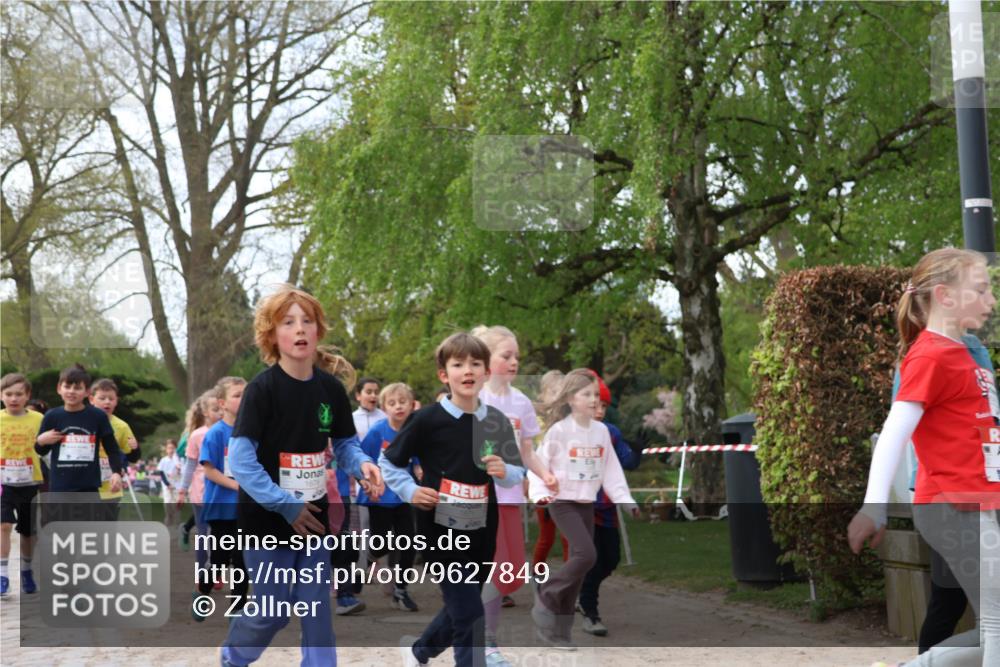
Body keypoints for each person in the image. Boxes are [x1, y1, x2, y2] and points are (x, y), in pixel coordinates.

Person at [847, 248, 999, 667]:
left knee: (995, 630)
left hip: (980, 504)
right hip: (954, 505)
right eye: (981, 291)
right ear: (945, 296)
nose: (991, 301)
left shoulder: (969, 357)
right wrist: (872, 509)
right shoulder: (928, 355)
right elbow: (894, 435)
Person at [221, 285, 383, 667]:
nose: (299, 329)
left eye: (307, 321)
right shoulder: (262, 390)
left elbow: (344, 446)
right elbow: (242, 463)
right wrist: (285, 505)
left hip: (313, 518)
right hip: (267, 519)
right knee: (272, 613)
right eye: (288, 322)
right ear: (272, 335)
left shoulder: (330, 389)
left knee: (317, 612)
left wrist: (362, 466)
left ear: (318, 330)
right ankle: (233, 655)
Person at [381, 332, 523, 667]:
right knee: (471, 615)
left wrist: (505, 470)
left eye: (475, 363)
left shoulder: (495, 421)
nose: (467, 370)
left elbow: (518, 471)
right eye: (458, 364)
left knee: (463, 605)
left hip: (482, 531)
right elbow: (389, 462)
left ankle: (418, 653)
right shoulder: (427, 420)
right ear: (444, 375)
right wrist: (410, 491)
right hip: (439, 533)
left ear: (486, 372)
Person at [529, 368, 639, 650]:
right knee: (586, 554)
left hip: (586, 504)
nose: (593, 400)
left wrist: (627, 502)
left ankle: (559, 633)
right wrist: (541, 495)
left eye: (596, 395)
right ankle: (547, 598)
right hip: (561, 502)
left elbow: (611, 472)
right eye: (586, 394)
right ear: (570, 399)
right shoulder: (559, 431)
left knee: (581, 568)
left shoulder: (601, 432)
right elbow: (538, 466)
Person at [471, 325, 557, 667]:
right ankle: (486, 642)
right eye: (506, 355)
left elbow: (526, 451)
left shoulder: (520, 402)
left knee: (514, 572)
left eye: (517, 356)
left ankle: (462, 626)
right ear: (486, 360)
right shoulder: (475, 397)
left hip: (511, 499)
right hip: (478, 500)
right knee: (492, 571)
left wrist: (544, 474)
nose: (514, 362)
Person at [576, 371, 640, 636]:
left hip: (608, 507)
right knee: (590, 558)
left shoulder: (611, 433)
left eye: (603, 405)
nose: (599, 410)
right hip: (581, 508)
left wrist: (637, 453)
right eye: (594, 404)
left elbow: (625, 462)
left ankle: (580, 594)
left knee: (610, 559)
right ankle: (590, 612)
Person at [358, 382, 420, 612]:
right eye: (392, 403)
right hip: (380, 495)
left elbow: (418, 457)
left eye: (403, 402)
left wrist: (420, 469)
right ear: (384, 408)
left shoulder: (413, 431)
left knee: (409, 541)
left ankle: (401, 590)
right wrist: (366, 482)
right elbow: (362, 458)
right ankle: (369, 559)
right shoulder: (378, 431)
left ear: (411, 405)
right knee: (381, 542)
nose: (398, 407)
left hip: (404, 494)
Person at [194, 376, 249, 620]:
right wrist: (237, 486)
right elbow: (209, 469)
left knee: (243, 559)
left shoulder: (253, 432)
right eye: (237, 395)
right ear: (222, 403)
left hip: (248, 509)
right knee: (218, 560)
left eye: (246, 394)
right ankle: (203, 591)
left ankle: (238, 607)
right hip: (221, 508)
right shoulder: (216, 433)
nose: (243, 399)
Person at [34, 364, 123, 497]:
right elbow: (41, 450)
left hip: (88, 487)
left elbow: (112, 449)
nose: (71, 391)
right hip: (60, 487)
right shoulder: (52, 416)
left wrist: (116, 472)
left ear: (87, 392)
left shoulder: (97, 416)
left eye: (77, 388)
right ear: (59, 388)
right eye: (67, 387)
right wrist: (41, 441)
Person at [0, 373, 44, 596]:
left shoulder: (38, 419)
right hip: (3, 483)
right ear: (1, 396)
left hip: (29, 481)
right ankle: (2, 574)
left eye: (19, 394)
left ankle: (26, 570)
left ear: (27, 396)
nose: (13, 398)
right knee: (3, 526)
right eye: (8, 394)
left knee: (28, 532)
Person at [178, 390, 222, 574]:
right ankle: (202, 576)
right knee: (204, 536)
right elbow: (189, 466)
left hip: (223, 493)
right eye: (215, 409)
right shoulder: (197, 435)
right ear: (205, 412)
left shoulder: (231, 432)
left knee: (221, 538)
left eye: (221, 408)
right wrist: (182, 490)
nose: (220, 412)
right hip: (201, 494)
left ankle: (216, 571)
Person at [90, 378, 142, 520]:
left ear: (116, 401)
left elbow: (132, 457)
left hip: (111, 487)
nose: (107, 402)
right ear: (91, 399)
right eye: (102, 398)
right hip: (87, 487)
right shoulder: (84, 421)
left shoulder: (121, 426)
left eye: (111, 399)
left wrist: (135, 449)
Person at [532, 370, 569, 567]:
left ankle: (570, 578)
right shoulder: (536, 420)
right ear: (542, 394)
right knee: (546, 537)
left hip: (566, 485)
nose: (557, 396)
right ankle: (537, 574)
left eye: (561, 392)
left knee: (568, 535)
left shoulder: (570, 418)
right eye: (553, 391)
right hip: (544, 484)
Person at [157, 438, 182, 525]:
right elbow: (161, 473)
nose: (170, 450)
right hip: (167, 486)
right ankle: (168, 519)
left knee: (176, 506)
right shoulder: (164, 460)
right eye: (169, 448)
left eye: (172, 448)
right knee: (167, 504)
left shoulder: (179, 460)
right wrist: (167, 484)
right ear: (166, 449)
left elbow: (181, 472)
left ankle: (176, 524)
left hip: (177, 485)